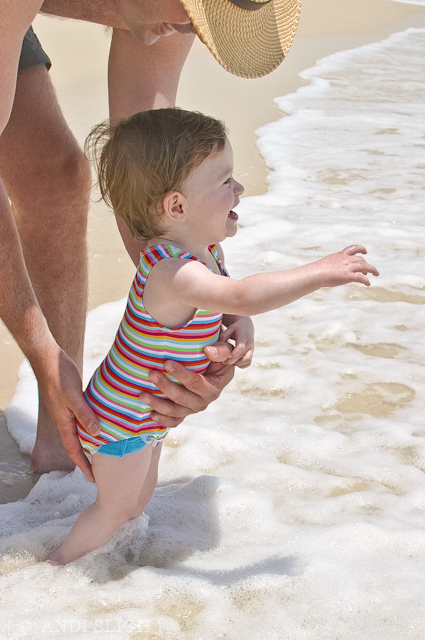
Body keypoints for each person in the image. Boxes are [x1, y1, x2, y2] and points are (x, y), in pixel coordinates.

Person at [46, 108, 379, 564]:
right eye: (225, 182)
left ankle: (113, 558)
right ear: (176, 206)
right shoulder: (172, 271)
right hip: (120, 418)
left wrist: (241, 325)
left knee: (136, 503)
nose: (239, 189)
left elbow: (230, 305)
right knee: (116, 507)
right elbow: (242, 294)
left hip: (146, 414)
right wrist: (319, 272)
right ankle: (59, 567)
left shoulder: (206, 254)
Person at [0, 0, 301, 480]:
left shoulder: (179, 9)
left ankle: (63, 439)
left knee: (54, 178)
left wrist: (205, 315)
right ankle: (59, 388)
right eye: (194, 13)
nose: (190, 28)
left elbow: (150, 182)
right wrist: (42, 352)